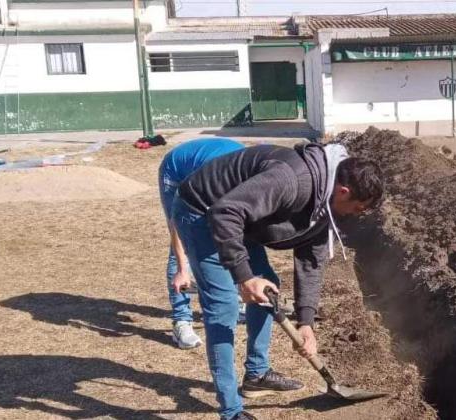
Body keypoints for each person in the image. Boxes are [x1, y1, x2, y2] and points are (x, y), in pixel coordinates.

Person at [170, 142, 384, 420]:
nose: (357, 214)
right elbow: (224, 212)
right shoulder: (292, 180)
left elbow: (311, 259)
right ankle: (231, 411)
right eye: (359, 207)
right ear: (344, 191)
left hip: (239, 216)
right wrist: (245, 277)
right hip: (202, 210)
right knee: (224, 309)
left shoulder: (327, 200)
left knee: (268, 284)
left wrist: (305, 321)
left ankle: (256, 375)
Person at [158, 137, 245, 349]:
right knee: (184, 241)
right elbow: (177, 226)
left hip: (211, 168)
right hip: (176, 170)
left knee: (229, 236)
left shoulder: (251, 181)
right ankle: (181, 321)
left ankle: (234, 302)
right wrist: (182, 269)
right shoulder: (212, 181)